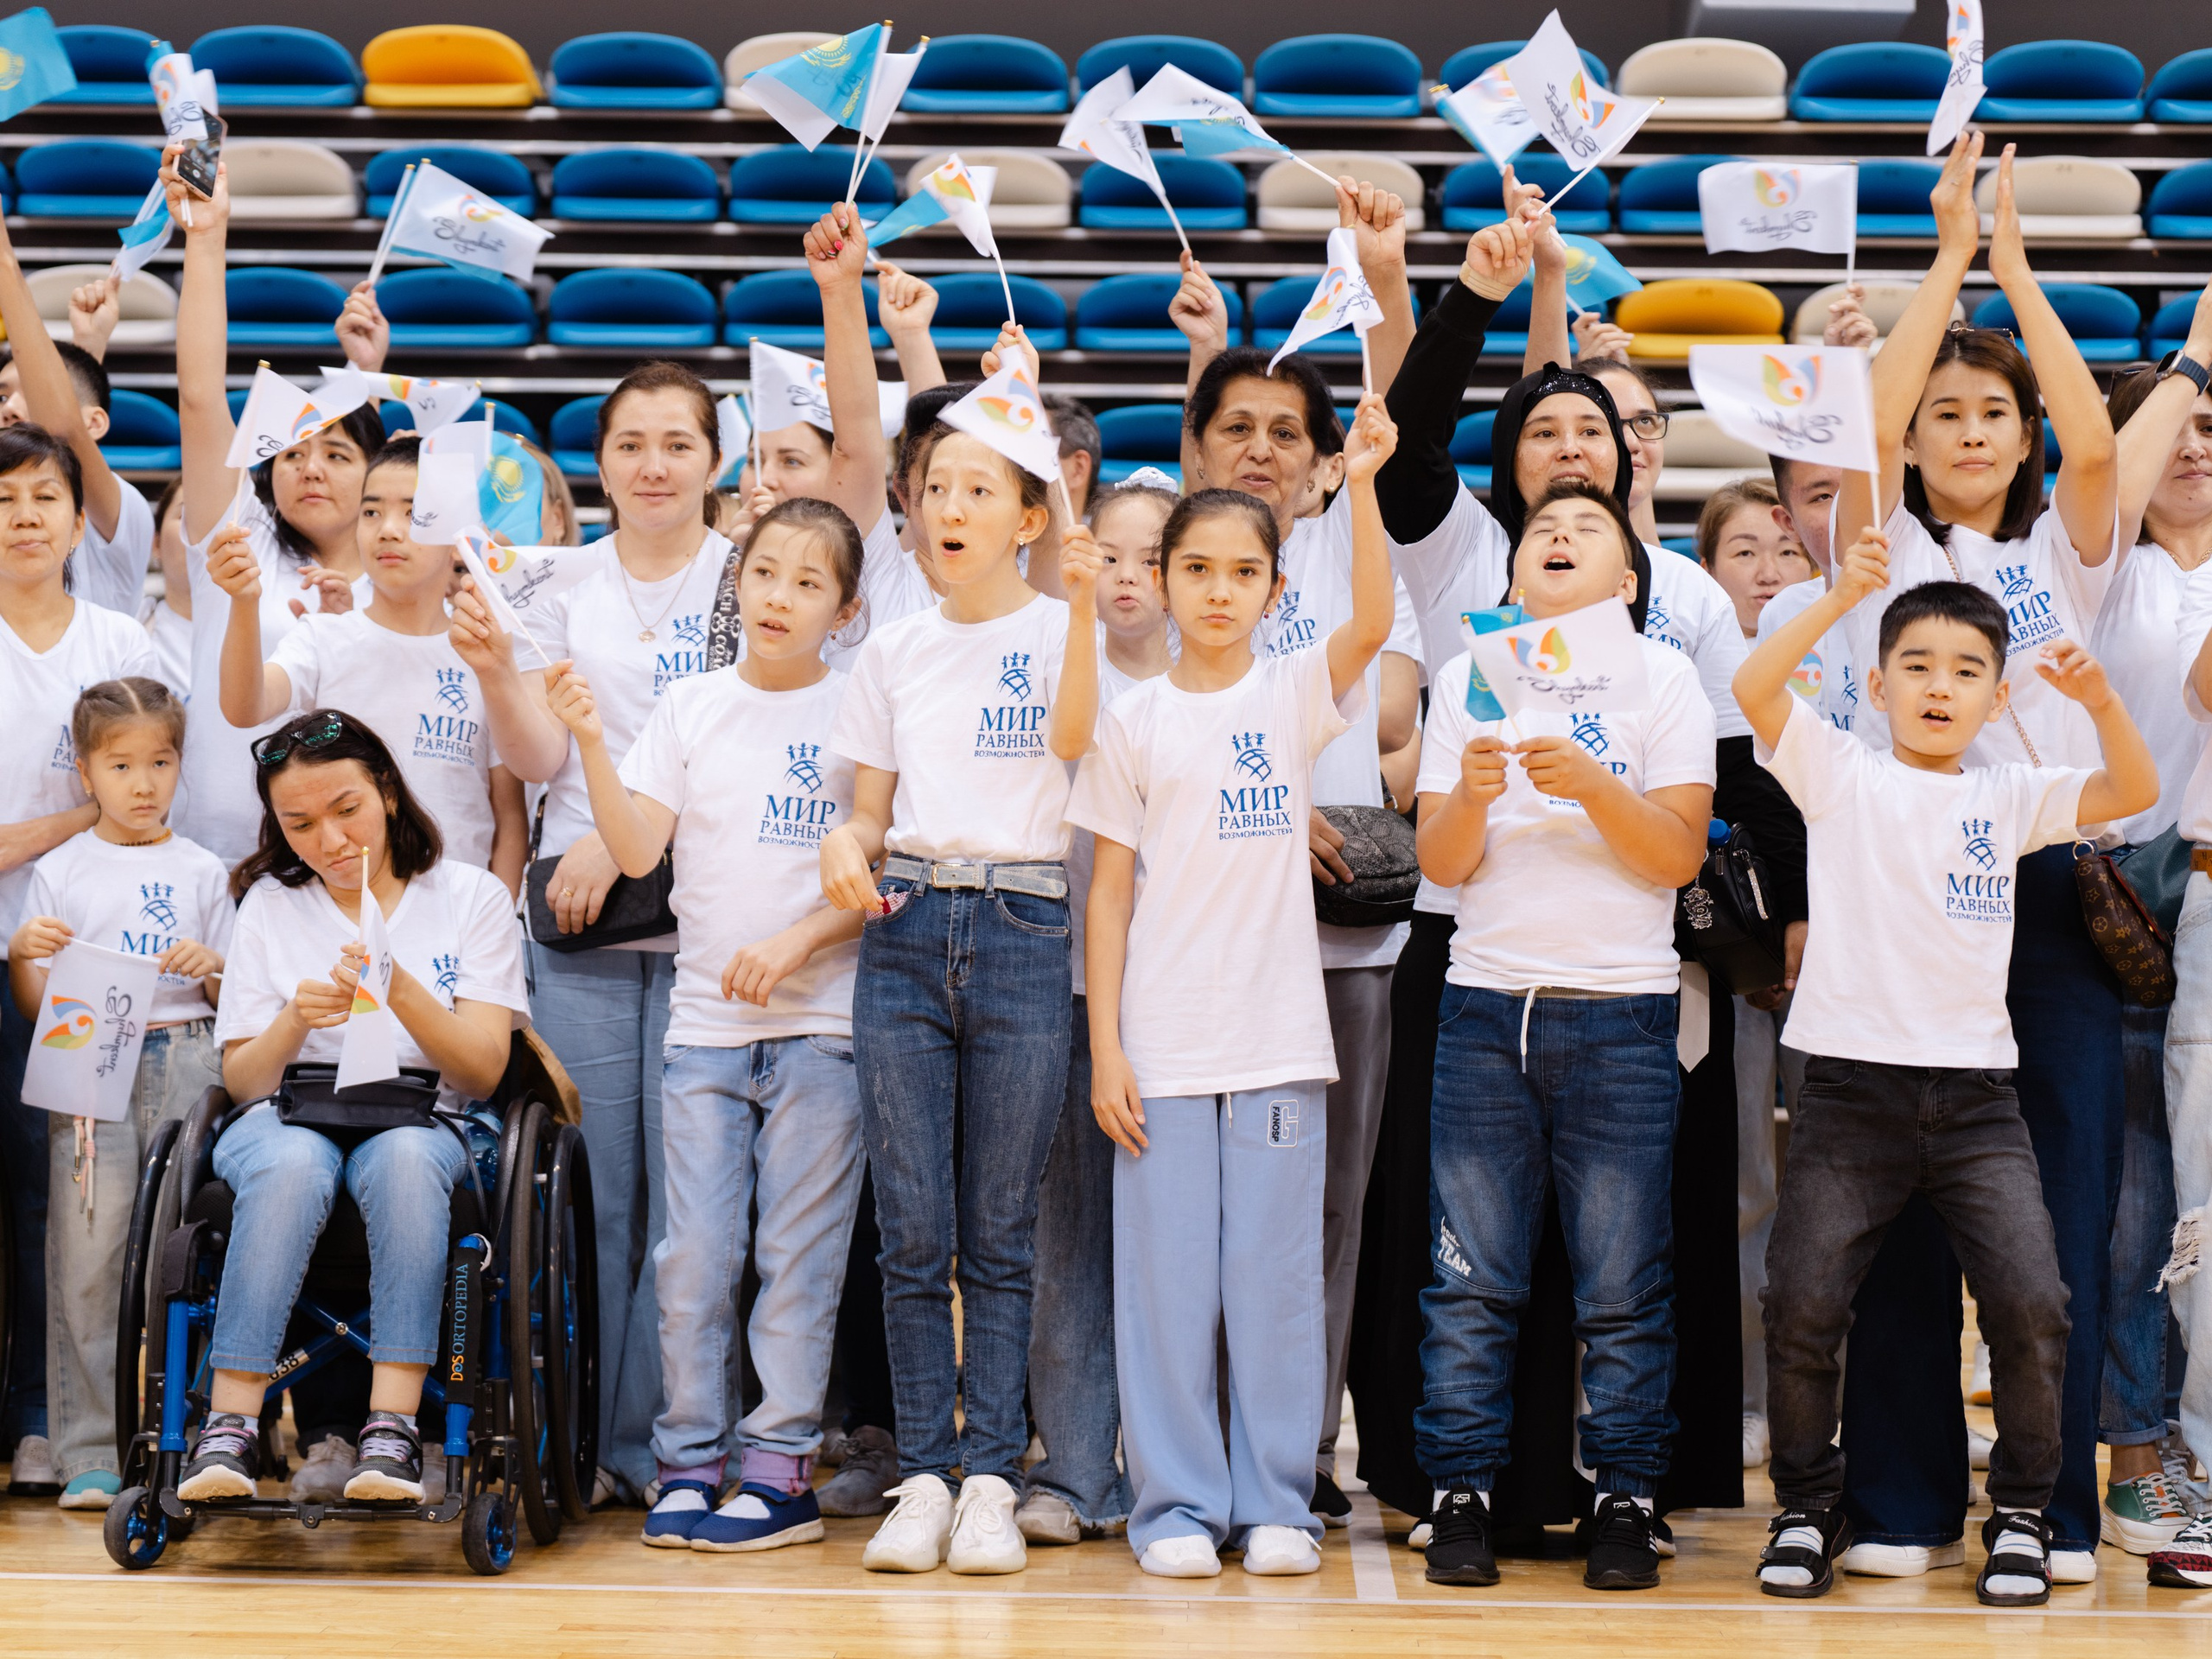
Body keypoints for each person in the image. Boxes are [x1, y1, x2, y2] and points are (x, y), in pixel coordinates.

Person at [1738, 530, 2154, 1604]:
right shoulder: (1841, 773)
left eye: (1968, 671)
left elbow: (2133, 783)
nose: (1940, 686)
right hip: (1847, 1093)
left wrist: (2101, 697)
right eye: (1916, 666)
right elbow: (1753, 683)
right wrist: (1840, 599)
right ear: (1875, 686)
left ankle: (2018, 1514)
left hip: (1976, 1103)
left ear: (1994, 694)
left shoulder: (2007, 795)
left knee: (2033, 1301)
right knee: (1803, 1303)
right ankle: (1805, 1505)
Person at [1827, 134, 2125, 1586]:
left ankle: (2054, 1506)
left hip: (2045, 898)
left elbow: (2105, 437)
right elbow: (1858, 428)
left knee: (2048, 1217)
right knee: (1893, 1208)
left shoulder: (2067, 556)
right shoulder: (1879, 551)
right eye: (1942, 412)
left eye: (1990, 412)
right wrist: (1944, 261)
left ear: (2022, 435)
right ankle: (1894, 1500)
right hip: (1892, 905)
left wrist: (2015, 270)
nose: (1965, 428)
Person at [1078, 397, 1398, 1580]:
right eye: (1196, 569)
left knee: (1270, 1281)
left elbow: (1371, 616)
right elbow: (1107, 894)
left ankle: (1272, 1500)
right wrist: (1110, 1049)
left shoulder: (1294, 695)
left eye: (1243, 572)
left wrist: (1361, 481)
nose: (1218, 590)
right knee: (1166, 1290)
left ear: (1274, 589)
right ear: (1160, 581)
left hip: (1275, 1044)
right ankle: (1172, 1508)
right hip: (1160, 1049)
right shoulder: (1132, 721)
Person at [818, 331, 1103, 1576]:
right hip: (906, 925)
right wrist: (843, 842)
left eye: (983, 486)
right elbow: (868, 808)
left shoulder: (1063, 627)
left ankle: (994, 1471)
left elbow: (1082, 739)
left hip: (1029, 923)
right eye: (937, 485)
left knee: (1000, 1231)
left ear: (1033, 514)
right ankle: (924, 1473)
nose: (951, 504)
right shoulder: (891, 645)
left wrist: (1088, 598)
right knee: (912, 1232)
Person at [544, 499, 868, 1553]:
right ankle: (688, 1464)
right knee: (694, 1257)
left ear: (846, 608)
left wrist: (794, 947)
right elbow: (639, 853)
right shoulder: (690, 705)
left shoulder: (864, 711)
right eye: (765, 571)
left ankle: (779, 1473)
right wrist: (592, 740)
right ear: (738, 582)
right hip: (705, 1031)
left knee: (796, 1256)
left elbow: (875, 874)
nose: (779, 595)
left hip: (822, 1025)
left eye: (808, 581)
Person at [1170, 189, 1427, 1515]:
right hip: (1189, 949)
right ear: (1196, 442)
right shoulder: (1159, 571)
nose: (1262, 450)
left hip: (1338, 944)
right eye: (1236, 429)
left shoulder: (1343, 558)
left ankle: (1292, 1456)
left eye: (1287, 433)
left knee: (1324, 1218)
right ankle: (1184, 1446)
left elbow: (1384, 719)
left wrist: (1383, 283)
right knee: (1187, 1221)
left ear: (1325, 461)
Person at [1414, 480, 1716, 1592]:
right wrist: (1470, 798)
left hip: (1623, 1014)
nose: (1558, 535)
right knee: (1468, 1281)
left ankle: (1626, 1498)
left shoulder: (1665, 679)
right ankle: (1459, 1495)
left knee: (1624, 1285)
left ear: (1626, 588)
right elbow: (1442, 867)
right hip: (1485, 1006)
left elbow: (1676, 857)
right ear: (1510, 580)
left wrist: (1590, 784)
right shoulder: (1467, 680)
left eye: (1588, 530)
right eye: (1542, 529)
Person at [449, 359, 733, 1509]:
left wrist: (620, 842)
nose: (654, 464)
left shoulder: (745, 576)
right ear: (601, 461)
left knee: (697, 1216)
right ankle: (589, 1446)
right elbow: (532, 758)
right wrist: (489, 667)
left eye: (678, 442)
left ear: (718, 460)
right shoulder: (558, 583)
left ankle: (677, 1447)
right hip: (583, 931)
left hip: (715, 922)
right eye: (631, 444)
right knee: (594, 1203)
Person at [178, 710, 526, 1503]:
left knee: (405, 1161)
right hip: (291, 1108)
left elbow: (482, 1070)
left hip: (426, 1110)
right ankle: (226, 1427)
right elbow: (242, 1083)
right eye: (299, 824)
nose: (328, 840)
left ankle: (393, 1427)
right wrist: (297, 1018)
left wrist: (397, 987)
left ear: (390, 795)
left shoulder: (468, 896)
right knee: (294, 1164)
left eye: (346, 809)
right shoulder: (270, 901)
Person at [7, 678, 227, 1510]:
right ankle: (90, 1450)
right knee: (87, 1256)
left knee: (191, 1251)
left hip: (187, 1059)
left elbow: (235, 1002)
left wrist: (214, 969)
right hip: (89, 1064)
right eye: (122, 764)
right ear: (86, 770)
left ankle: (199, 1436)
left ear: (180, 765)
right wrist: (29, 958)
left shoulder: (204, 870)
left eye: (161, 762)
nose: (144, 783)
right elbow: (40, 1011)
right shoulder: (61, 871)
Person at [1019, 478, 1178, 1548]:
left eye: (1153, 556)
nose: (1128, 576)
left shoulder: (1223, 684)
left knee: (1175, 1249)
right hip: (1067, 989)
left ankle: (1177, 1470)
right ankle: (1075, 1468)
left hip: (1187, 999)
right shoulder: (1046, 668)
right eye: (1108, 554)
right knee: (1068, 1239)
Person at [0, 424, 158, 1495]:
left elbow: (151, 812)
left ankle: (49, 1417)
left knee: (57, 1201)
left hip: (86, 967)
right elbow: (105, 810)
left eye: (44, 497)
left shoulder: (120, 644)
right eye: (3, 498)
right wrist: (73, 817)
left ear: (73, 516)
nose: (23, 516)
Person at [163, 141, 386, 864]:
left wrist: (365, 377)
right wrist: (206, 236)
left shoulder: (402, 570)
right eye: (292, 453)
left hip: (360, 858)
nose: (311, 468)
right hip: (222, 856)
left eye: (336, 454)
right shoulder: (239, 540)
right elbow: (199, 399)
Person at [210, 436, 524, 888]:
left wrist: (499, 920)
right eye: (372, 512)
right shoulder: (324, 637)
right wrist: (244, 603)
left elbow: (508, 816)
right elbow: (244, 707)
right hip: (339, 913)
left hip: (457, 913)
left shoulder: (485, 649)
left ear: (461, 541)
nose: (388, 530)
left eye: (415, 514)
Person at [2148, 291, 2212, 1585]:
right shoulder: (2100, 565)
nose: (2199, 448)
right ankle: (2199, 1461)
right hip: (2183, 893)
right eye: (2182, 428)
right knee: (2200, 1206)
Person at [0, 225, 150, 620]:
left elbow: (64, 431)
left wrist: (4, 264)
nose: (10, 408)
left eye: (28, 394)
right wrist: (89, 347)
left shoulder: (122, 510)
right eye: (2, 395)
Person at [1700, 480, 1815, 639]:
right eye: (1745, 553)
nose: (1768, 576)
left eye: (1787, 552)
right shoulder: (1680, 658)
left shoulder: (1849, 648)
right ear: (1708, 572)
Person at [143, 480, 192, 704]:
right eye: (185, 516)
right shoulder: (132, 638)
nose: (201, 530)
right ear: (156, 543)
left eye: (217, 518)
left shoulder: (276, 634)